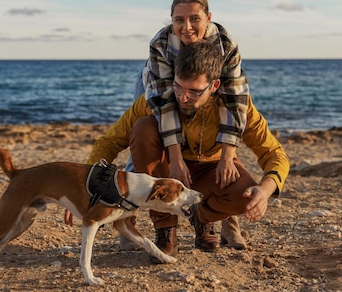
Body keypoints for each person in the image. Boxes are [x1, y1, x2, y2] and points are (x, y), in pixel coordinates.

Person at [87, 42, 289, 257]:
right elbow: (109, 141)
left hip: (211, 169)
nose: (183, 97)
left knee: (246, 196)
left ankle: (202, 217)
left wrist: (266, 190)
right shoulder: (156, 100)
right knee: (143, 128)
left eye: (194, 92)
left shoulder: (237, 108)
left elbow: (275, 153)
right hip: (167, 170)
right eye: (178, 87)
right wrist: (86, 186)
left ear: (214, 86)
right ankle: (165, 229)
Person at [123, 0, 250, 250]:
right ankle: (131, 222)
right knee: (142, 136)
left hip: (203, 87)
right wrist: (176, 158)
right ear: (171, 20)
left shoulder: (226, 45)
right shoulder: (160, 44)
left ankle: (228, 223)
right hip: (161, 82)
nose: (187, 27)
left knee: (221, 142)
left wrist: (227, 155)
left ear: (208, 18)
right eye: (179, 20)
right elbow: (166, 105)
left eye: (194, 19)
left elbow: (233, 103)